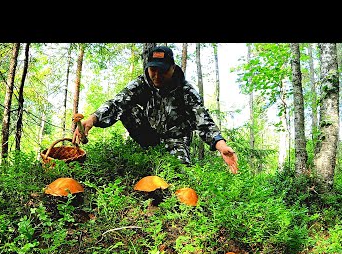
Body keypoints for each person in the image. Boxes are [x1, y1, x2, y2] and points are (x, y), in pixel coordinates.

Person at [72, 45, 238, 174]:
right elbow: (117, 103)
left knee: (179, 176)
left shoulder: (186, 91)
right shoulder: (140, 84)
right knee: (126, 107)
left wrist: (221, 145)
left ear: (173, 68)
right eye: (153, 70)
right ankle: (145, 153)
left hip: (176, 139)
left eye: (163, 71)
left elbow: (202, 118)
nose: (157, 76)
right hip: (148, 136)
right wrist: (92, 119)